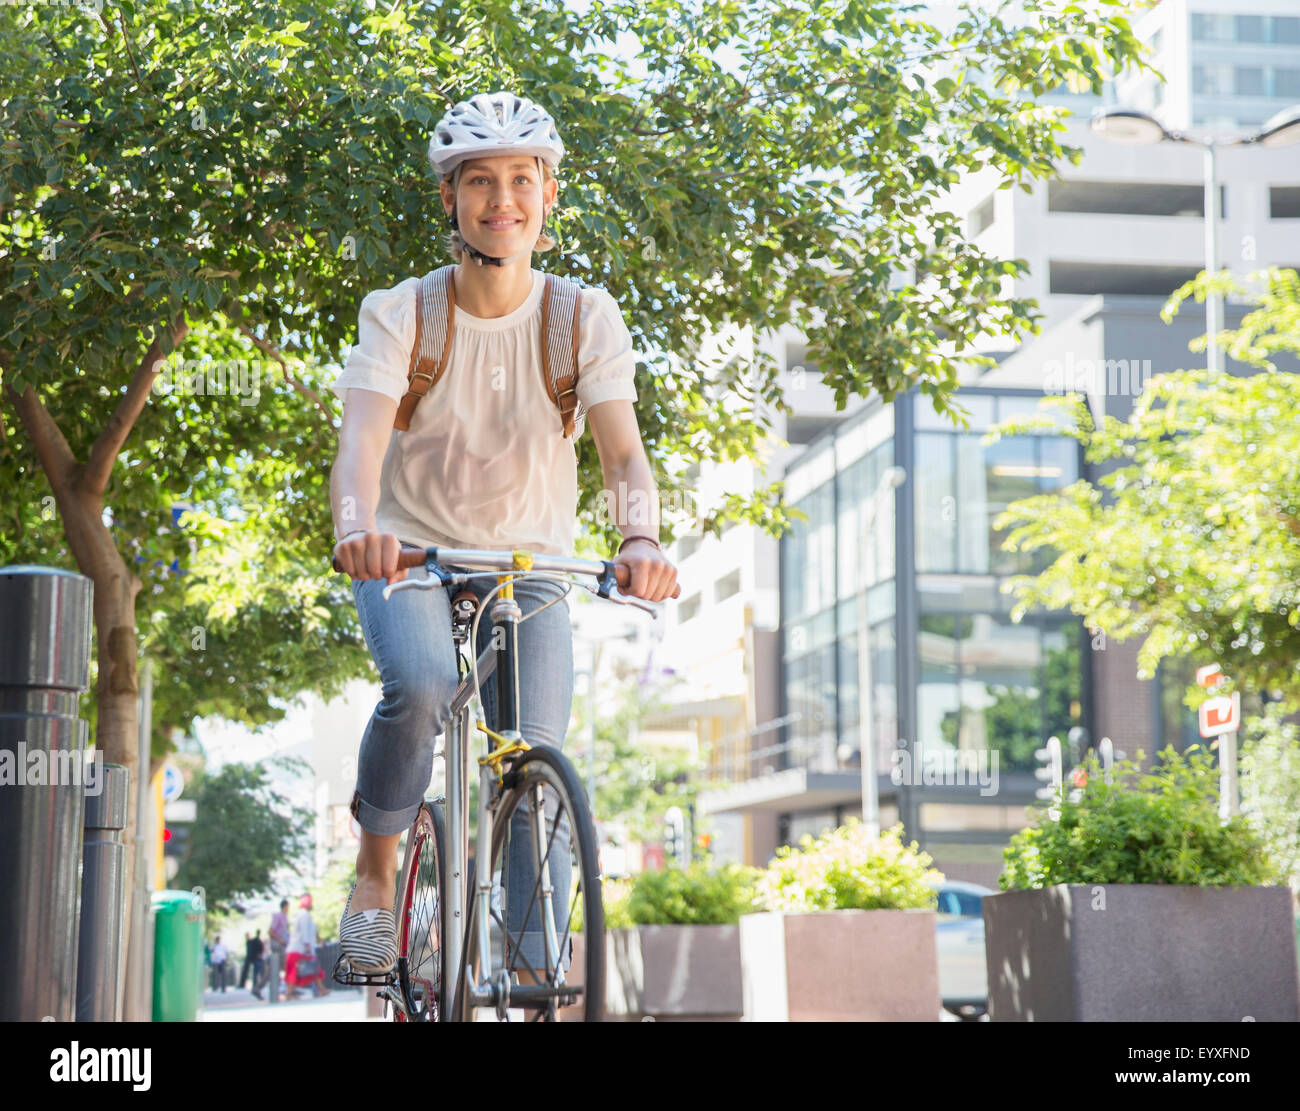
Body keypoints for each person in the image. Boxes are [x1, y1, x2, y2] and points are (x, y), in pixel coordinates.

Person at [328, 90, 678, 981]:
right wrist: (358, 529)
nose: (501, 200)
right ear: (450, 198)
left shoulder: (582, 317)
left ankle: (535, 980)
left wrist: (640, 540)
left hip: (532, 568)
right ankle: (376, 876)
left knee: (531, 769)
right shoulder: (401, 311)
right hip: (410, 555)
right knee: (420, 684)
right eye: (479, 181)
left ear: (549, 193)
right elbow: (361, 447)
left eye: (522, 179)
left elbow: (625, 457)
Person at [284, 894, 329, 999]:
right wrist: (307, 945)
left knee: (313, 968)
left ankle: (320, 989)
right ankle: (289, 993)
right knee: (297, 971)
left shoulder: (300, 914)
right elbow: (304, 931)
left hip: (299, 948)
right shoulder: (304, 915)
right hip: (300, 949)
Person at [266, 899, 290, 1002]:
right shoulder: (278, 916)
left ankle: (286, 989)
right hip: (278, 945)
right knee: (283, 967)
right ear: (285, 906)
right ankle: (287, 990)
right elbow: (270, 931)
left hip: (283, 945)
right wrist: (280, 940)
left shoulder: (285, 917)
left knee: (276, 968)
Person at [247, 930, 266, 999]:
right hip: (258, 958)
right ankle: (256, 987)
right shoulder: (257, 941)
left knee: (257, 974)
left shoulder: (255, 941)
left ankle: (255, 986)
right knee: (262, 974)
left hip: (256, 958)